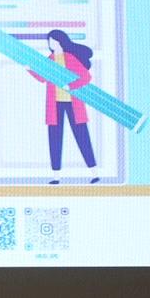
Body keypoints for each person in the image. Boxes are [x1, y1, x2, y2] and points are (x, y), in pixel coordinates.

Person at [28, 29, 99, 183]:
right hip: (55, 106)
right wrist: (30, 70)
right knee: (54, 139)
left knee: (82, 137)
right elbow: (42, 78)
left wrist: (70, 86)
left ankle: (93, 173)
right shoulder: (50, 60)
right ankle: (56, 177)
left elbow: (86, 77)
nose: (51, 44)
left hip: (74, 104)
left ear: (60, 41)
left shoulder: (70, 58)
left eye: (53, 41)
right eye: (49, 41)